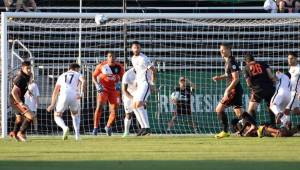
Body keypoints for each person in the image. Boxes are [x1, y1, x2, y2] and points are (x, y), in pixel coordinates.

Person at [212, 43, 257, 139]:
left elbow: (236, 78)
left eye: (223, 50)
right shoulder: (228, 61)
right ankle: (257, 127)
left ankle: (225, 131)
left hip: (233, 90)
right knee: (240, 113)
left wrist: (228, 90)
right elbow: (228, 74)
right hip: (236, 90)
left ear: (228, 50)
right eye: (220, 50)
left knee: (219, 109)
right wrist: (219, 78)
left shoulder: (231, 62)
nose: (221, 51)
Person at [47, 63, 86, 140]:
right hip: (74, 95)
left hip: (63, 95)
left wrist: (52, 104)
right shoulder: (77, 74)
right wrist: (81, 93)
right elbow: (84, 81)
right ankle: (77, 136)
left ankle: (64, 128)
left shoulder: (61, 76)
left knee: (57, 115)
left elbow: (56, 91)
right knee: (75, 114)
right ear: (76, 68)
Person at [92, 52, 124, 136]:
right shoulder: (101, 65)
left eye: (113, 57)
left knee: (114, 110)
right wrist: (97, 85)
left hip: (114, 90)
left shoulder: (120, 67)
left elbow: (123, 78)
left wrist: (119, 83)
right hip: (103, 89)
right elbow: (94, 76)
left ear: (116, 58)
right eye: (110, 56)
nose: (112, 58)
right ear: (107, 58)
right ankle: (95, 128)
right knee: (99, 106)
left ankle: (108, 126)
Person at [131, 41, 156, 136]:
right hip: (139, 84)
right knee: (134, 106)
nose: (136, 49)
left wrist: (152, 83)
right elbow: (138, 71)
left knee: (139, 104)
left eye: (138, 47)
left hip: (145, 84)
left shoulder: (144, 58)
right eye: (134, 47)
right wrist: (136, 82)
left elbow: (153, 70)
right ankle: (143, 127)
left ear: (140, 48)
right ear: (132, 49)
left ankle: (147, 128)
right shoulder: (133, 58)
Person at [243, 54, 276, 126]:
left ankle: (253, 127)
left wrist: (252, 89)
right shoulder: (264, 63)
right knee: (271, 107)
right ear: (253, 59)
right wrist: (274, 82)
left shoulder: (246, 67)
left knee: (251, 109)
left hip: (257, 90)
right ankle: (274, 125)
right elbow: (271, 76)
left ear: (246, 62)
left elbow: (248, 83)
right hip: (269, 88)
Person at [9, 61, 34, 142]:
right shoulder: (20, 78)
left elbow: (24, 85)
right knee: (30, 116)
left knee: (19, 119)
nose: (29, 70)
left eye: (30, 68)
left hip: (19, 98)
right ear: (22, 68)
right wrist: (20, 103)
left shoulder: (27, 76)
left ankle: (14, 133)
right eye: (27, 68)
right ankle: (21, 133)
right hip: (15, 100)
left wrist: (28, 90)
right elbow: (13, 92)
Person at [231, 118, 300, 137]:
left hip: (263, 129)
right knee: (286, 134)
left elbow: (249, 125)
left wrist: (246, 133)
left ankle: (281, 130)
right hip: (264, 128)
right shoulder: (241, 126)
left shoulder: (239, 125)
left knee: (280, 134)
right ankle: (296, 128)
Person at [121, 68, 137, 137]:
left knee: (140, 112)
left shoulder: (143, 72)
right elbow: (124, 90)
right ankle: (126, 131)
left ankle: (144, 130)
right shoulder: (127, 74)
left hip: (138, 94)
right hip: (128, 95)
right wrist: (132, 98)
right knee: (128, 114)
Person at [285, 52, 300, 117]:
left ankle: (285, 125)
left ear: (296, 59)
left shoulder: (299, 69)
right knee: (296, 111)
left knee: (286, 109)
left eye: (291, 58)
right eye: (288, 58)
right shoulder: (291, 68)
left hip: (296, 93)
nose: (289, 60)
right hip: (290, 92)